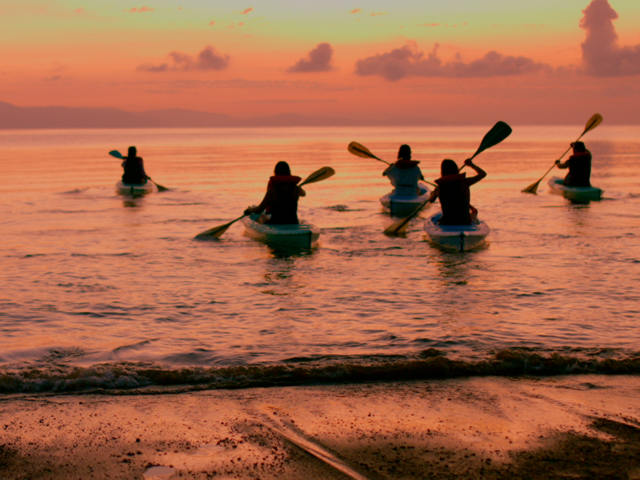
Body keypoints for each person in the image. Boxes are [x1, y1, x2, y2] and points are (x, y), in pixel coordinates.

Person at [427, 158, 486, 225]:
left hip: (446, 222)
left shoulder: (439, 187)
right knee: (473, 216)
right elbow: (482, 174)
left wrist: (433, 193)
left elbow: (431, 200)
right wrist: (471, 165)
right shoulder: (465, 182)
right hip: (464, 222)